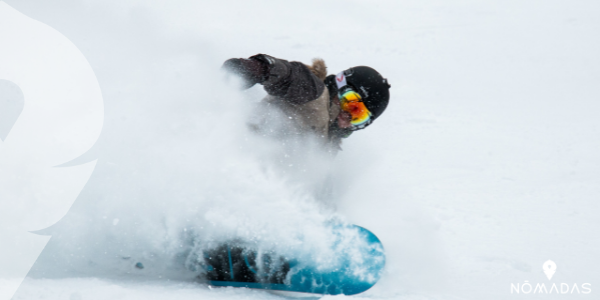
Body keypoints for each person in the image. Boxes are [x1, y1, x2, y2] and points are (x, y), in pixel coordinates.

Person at [222, 54, 391, 153]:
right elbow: (289, 75)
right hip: (239, 150)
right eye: (352, 105)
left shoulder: (329, 143)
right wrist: (257, 69)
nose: (346, 118)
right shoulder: (314, 94)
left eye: (358, 117)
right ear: (339, 85)